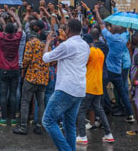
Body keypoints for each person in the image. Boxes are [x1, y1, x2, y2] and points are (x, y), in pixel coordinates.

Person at [42, 19, 90, 151]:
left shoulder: (67, 45)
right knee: (69, 124)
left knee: (48, 120)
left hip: (66, 88)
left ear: (68, 30)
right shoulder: (85, 45)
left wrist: (47, 42)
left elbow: (46, 58)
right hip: (79, 89)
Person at [93, 5, 135, 122]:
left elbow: (101, 24)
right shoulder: (125, 37)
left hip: (109, 69)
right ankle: (130, 114)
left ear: (113, 30)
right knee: (122, 93)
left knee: (102, 89)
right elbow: (125, 28)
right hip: (118, 69)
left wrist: (96, 11)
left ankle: (102, 113)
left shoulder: (110, 38)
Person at [75, 34, 114, 145]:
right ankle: (108, 134)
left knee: (81, 111)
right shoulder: (100, 52)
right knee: (99, 109)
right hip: (98, 86)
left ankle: (82, 136)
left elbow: (81, 66)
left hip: (88, 85)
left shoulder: (88, 52)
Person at [13, 23, 49, 135]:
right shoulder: (46, 45)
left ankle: (23, 126)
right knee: (40, 103)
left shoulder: (30, 43)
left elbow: (26, 59)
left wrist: (23, 68)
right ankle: (39, 126)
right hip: (43, 78)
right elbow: (51, 60)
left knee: (25, 101)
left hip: (31, 77)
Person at [0, 7, 23, 126]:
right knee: (13, 94)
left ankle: (4, 118)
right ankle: (13, 118)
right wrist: (14, 14)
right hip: (15, 68)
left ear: (5, 29)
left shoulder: (2, 37)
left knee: (3, 93)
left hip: (3, 69)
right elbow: (20, 26)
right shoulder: (18, 37)